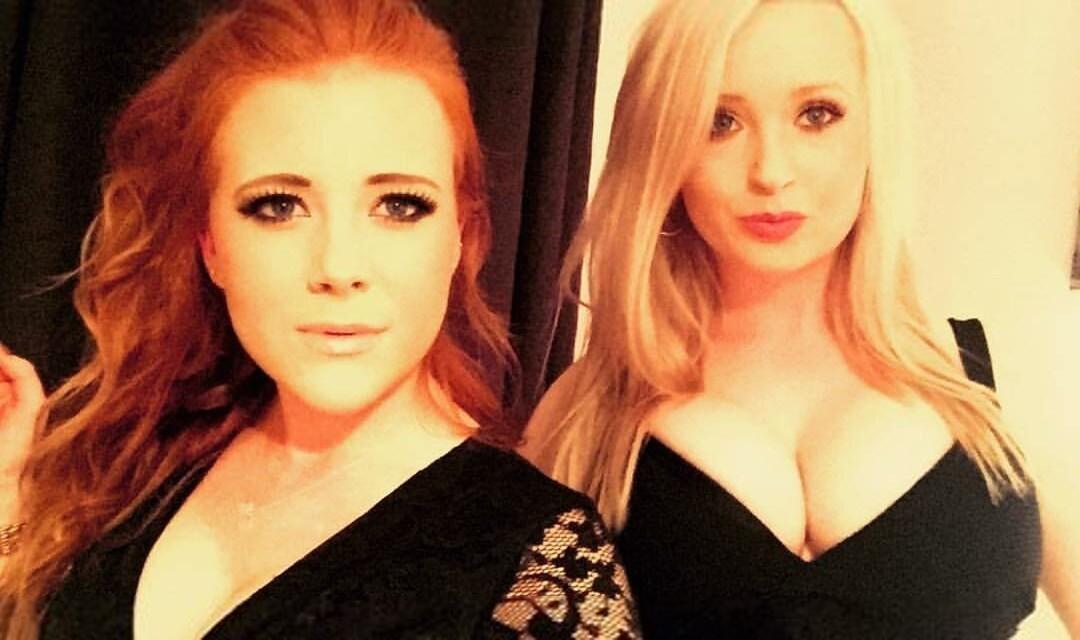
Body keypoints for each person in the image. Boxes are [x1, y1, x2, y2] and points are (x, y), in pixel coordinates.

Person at [0, 1, 641, 638]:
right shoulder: (141, 464)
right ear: (210, 244)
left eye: (399, 205)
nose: (338, 267)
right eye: (278, 206)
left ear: (461, 237)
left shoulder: (539, 565)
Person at [524, 0, 1078, 637]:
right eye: (719, 122)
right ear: (662, 147)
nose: (771, 171)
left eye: (817, 115)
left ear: (875, 128)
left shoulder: (996, 385)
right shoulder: (587, 412)